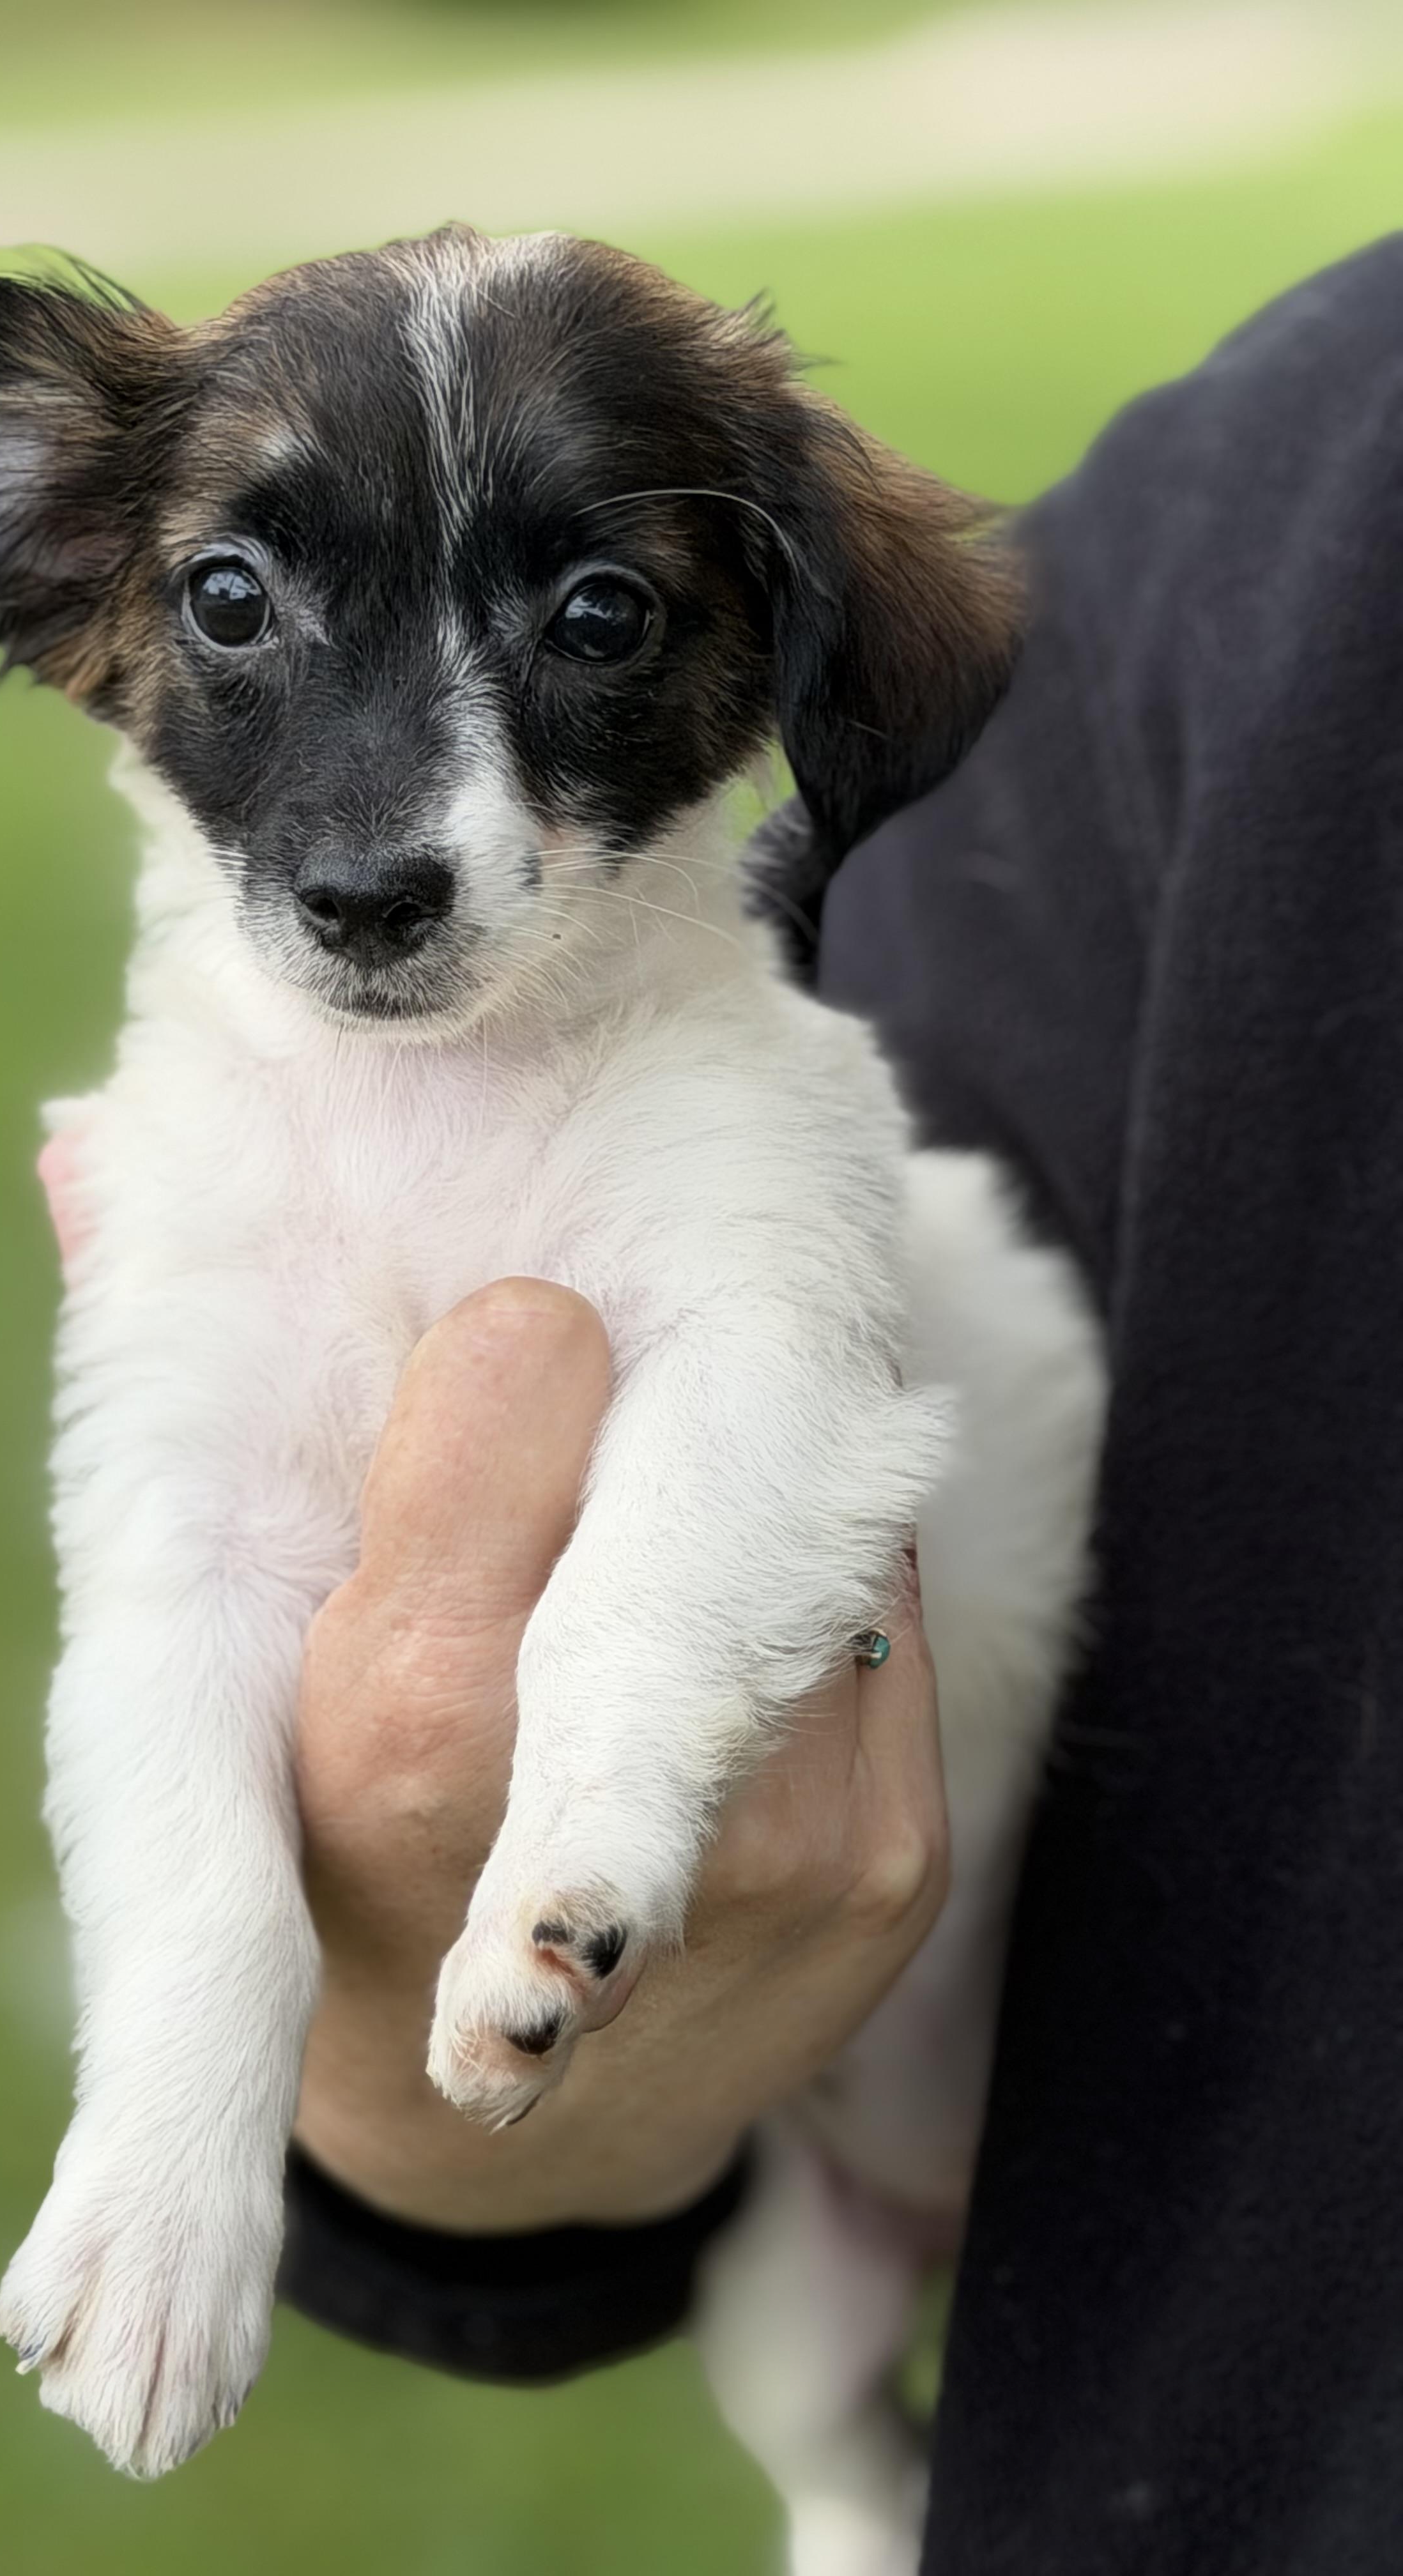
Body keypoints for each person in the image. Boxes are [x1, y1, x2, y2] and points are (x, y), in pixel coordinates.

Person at [274, 238, 1403, 2572]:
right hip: (1057, 2279)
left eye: (593, 621)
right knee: (806, 2383)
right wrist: (386, 2057)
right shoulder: (1270, 531)